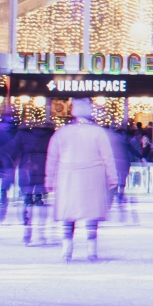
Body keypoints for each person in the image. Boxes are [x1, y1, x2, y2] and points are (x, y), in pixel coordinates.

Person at [45, 98, 121, 261]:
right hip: (92, 176)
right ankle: (91, 250)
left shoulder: (62, 133)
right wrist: (112, 178)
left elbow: (52, 158)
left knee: (68, 212)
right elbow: (107, 157)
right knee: (92, 212)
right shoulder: (98, 132)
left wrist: (49, 179)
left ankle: (67, 248)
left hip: (68, 176)